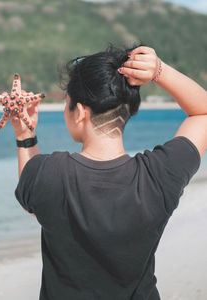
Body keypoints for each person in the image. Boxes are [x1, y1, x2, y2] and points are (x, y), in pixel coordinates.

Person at [12, 45, 207, 300]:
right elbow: (202, 112)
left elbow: (31, 199)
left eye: (67, 104)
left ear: (80, 112)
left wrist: (25, 135)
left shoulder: (48, 172)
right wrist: (159, 71)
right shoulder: (159, 175)